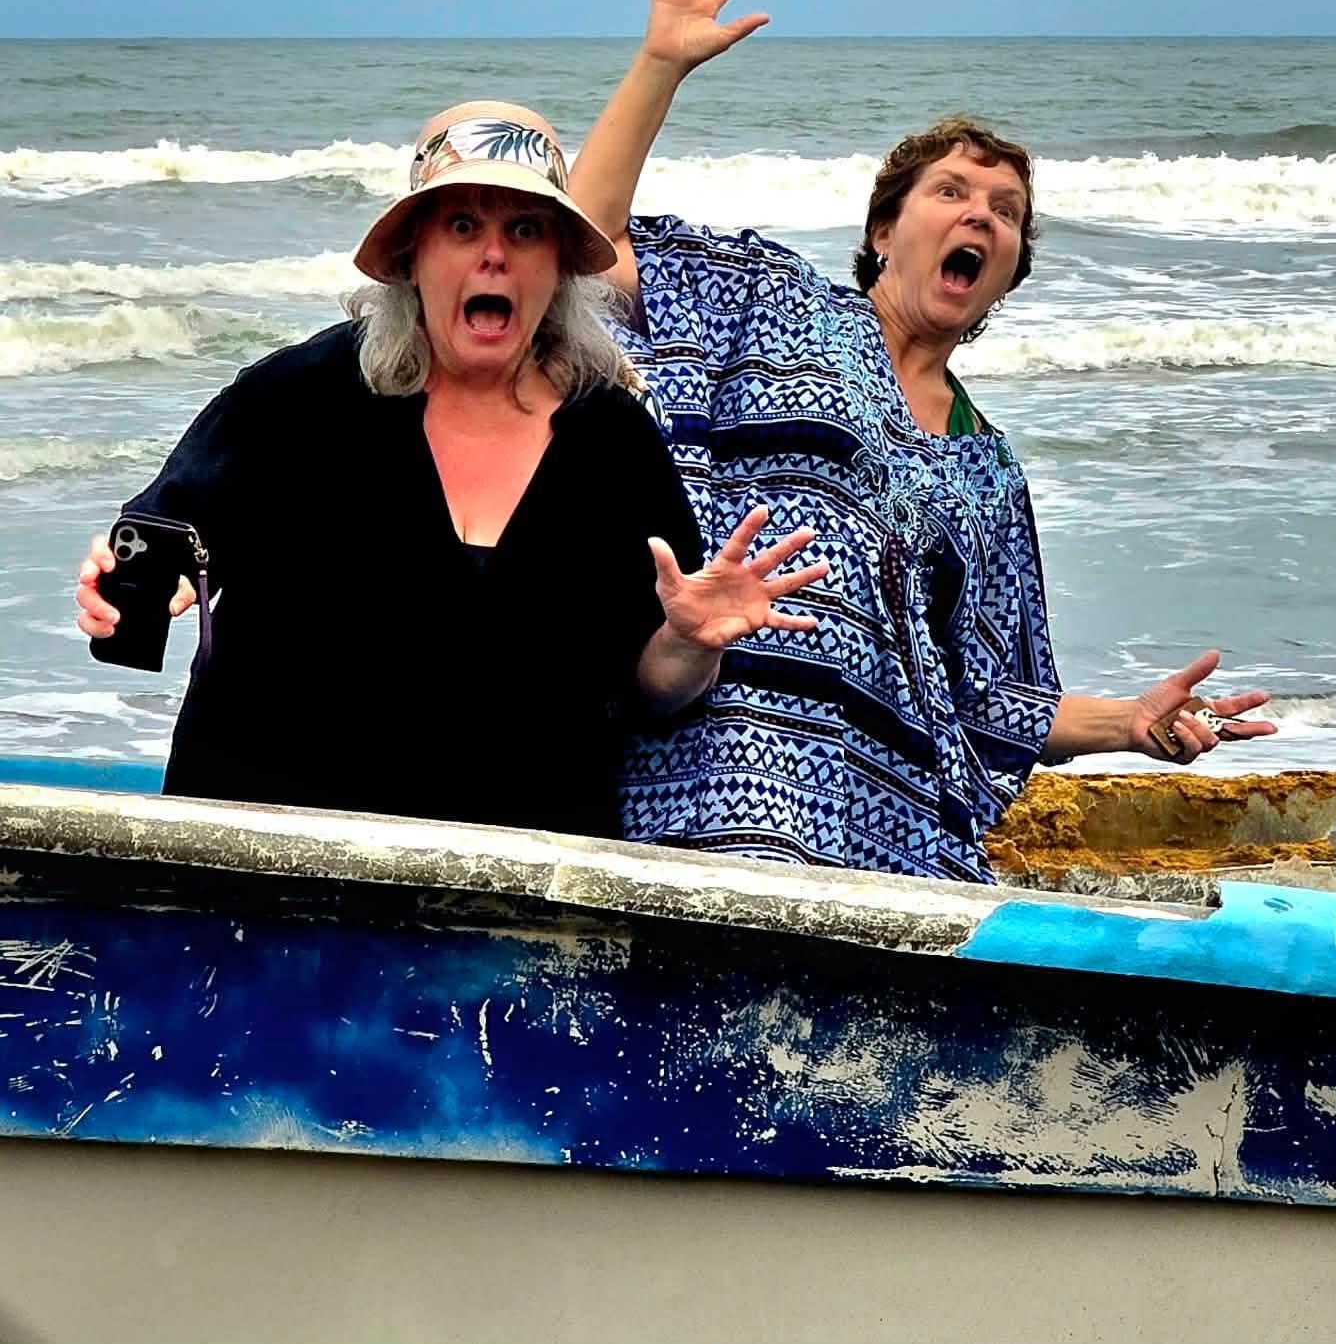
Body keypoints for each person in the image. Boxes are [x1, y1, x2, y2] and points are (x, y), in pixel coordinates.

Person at [568, 0, 1275, 881]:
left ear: (1009, 272)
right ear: (883, 230)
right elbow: (580, 246)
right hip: (716, 767)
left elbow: (994, 699)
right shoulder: (767, 296)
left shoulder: (989, 468)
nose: (983, 214)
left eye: (1007, 210)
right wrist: (660, 65)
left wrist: (1131, 723)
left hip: (892, 832)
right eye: (953, 191)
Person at [75, 100, 824, 839]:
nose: (493, 255)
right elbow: (162, 550)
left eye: (524, 230)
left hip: (518, 902)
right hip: (271, 868)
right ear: (412, 258)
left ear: (559, 265)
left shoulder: (611, 440)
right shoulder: (293, 399)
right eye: (462, 226)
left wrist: (691, 644)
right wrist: (125, 589)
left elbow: (655, 692)